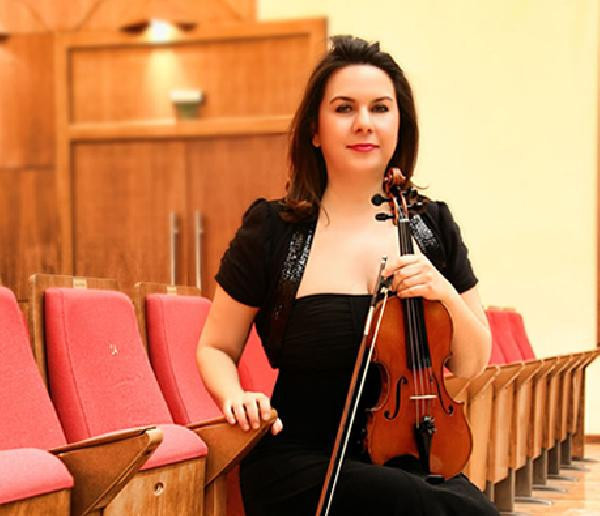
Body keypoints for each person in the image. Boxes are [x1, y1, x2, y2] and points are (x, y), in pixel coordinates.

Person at [197, 35, 498, 516]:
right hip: (302, 461)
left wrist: (441, 290)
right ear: (314, 130)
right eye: (343, 108)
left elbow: (471, 362)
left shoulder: (432, 225)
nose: (363, 123)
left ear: (399, 125)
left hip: (412, 456)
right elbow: (215, 346)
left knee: (461, 506)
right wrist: (234, 396)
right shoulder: (273, 229)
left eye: (380, 108)